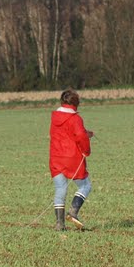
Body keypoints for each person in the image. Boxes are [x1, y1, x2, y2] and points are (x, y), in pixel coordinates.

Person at [49, 89, 93, 230]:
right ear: (76, 103)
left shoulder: (55, 117)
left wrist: (86, 133)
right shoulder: (75, 118)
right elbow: (79, 136)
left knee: (60, 188)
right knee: (85, 186)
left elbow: (69, 133)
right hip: (72, 158)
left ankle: (59, 224)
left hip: (55, 158)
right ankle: (73, 212)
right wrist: (86, 151)